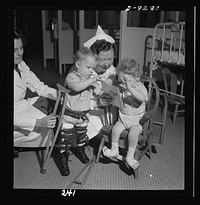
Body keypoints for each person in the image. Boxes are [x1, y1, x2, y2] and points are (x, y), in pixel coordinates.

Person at [57, 47, 103, 176]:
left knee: (82, 135)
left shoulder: (89, 78)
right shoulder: (71, 77)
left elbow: (98, 92)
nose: (91, 71)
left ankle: (80, 150)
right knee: (65, 138)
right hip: (68, 115)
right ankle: (63, 158)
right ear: (78, 64)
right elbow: (76, 87)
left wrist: (100, 86)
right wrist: (90, 81)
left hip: (82, 116)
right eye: (89, 67)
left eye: (93, 68)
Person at [14, 28, 57, 157]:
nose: (20, 53)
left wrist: (61, 95)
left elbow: (38, 86)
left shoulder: (21, 65)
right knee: (49, 130)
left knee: (48, 101)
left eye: (21, 48)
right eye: (14, 50)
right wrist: (39, 122)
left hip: (19, 107)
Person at [102, 57, 148, 170]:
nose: (124, 84)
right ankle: (114, 150)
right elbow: (117, 98)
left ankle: (129, 157)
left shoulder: (140, 88)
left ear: (137, 78)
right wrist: (113, 96)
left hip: (137, 120)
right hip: (123, 118)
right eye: (121, 81)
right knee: (115, 130)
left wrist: (130, 88)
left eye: (127, 81)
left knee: (133, 134)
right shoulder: (122, 88)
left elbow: (142, 98)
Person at [83, 25, 118, 140]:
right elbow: (76, 100)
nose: (107, 64)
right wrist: (97, 103)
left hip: (109, 112)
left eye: (110, 59)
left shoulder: (113, 71)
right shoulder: (84, 72)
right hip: (89, 110)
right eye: (102, 60)